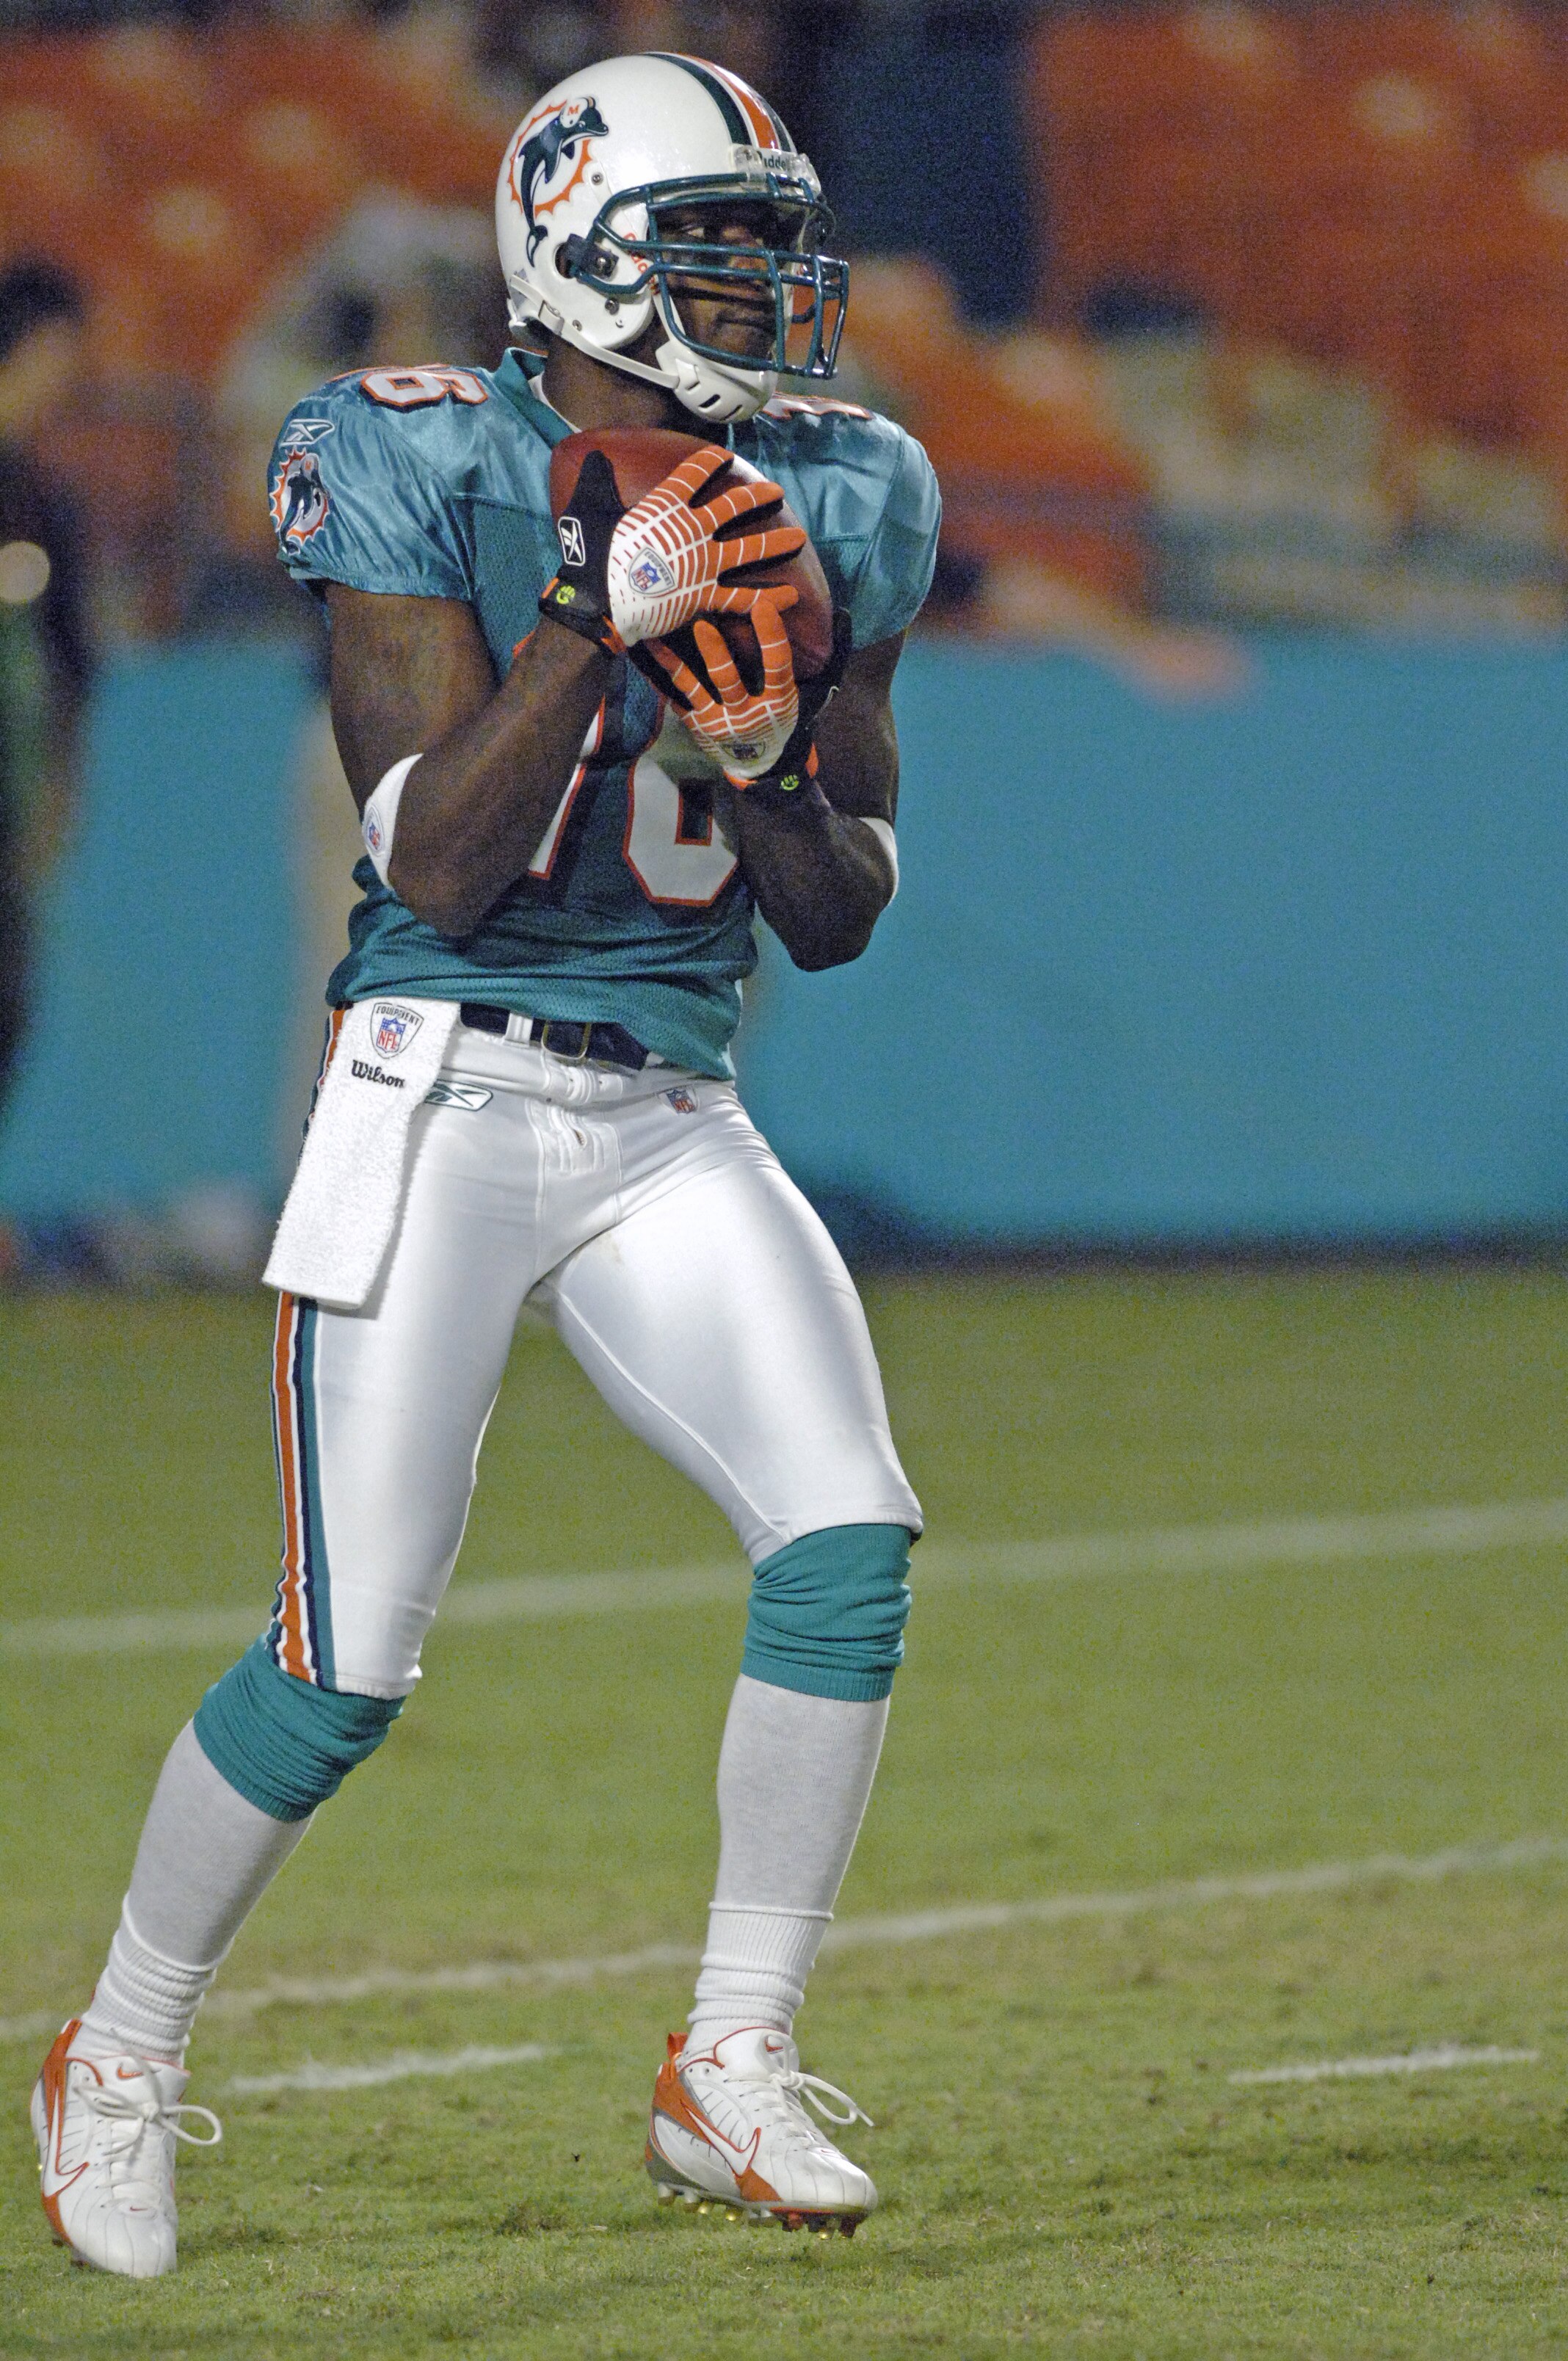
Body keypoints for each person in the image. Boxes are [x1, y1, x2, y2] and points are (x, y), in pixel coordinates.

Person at [32, 52, 940, 2277]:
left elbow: (839, 905)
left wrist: (756, 759)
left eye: (773, 248)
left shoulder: (842, 490)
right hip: (437, 1086)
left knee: (847, 1539)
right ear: (577, 256)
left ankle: (731, 2057)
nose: (770, 292)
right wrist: (588, 615)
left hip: (671, 1109)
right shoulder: (414, 450)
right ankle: (116, 2051)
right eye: (714, 247)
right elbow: (433, 856)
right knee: (343, 1665)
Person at [0, 260, 92, 1123]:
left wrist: (58, 786)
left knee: (9, 1002)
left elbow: (70, 664)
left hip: (12, 798)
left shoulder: (42, 503)